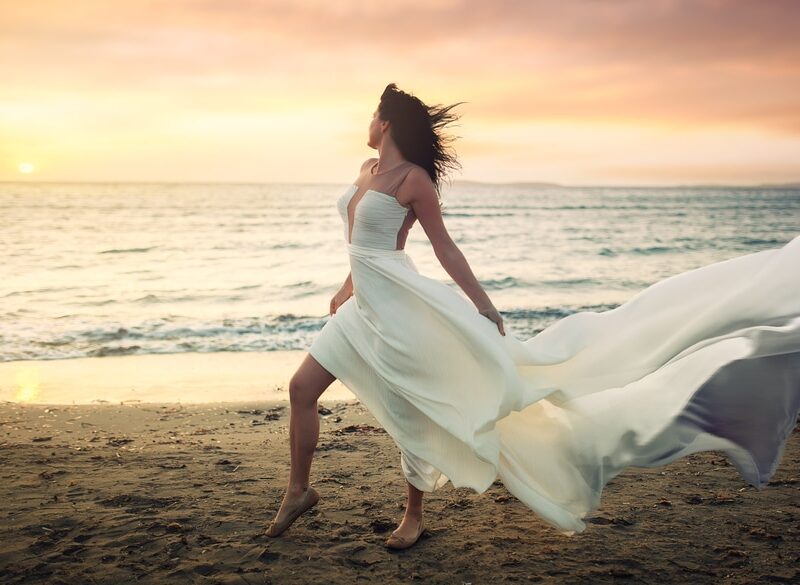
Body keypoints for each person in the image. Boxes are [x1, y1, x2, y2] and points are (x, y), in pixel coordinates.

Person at [266, 83, 800, 550]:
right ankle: (299, 491)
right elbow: (363, 244)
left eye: (371, 115)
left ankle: (415, 514)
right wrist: (346, 287)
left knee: (415, 410)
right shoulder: (365, 172)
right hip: (362, 307)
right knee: (301, 389)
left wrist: (482, 303)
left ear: (385, 122)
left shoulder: (413, 181)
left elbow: (442, 249)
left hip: (401, 308)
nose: (366, 123)